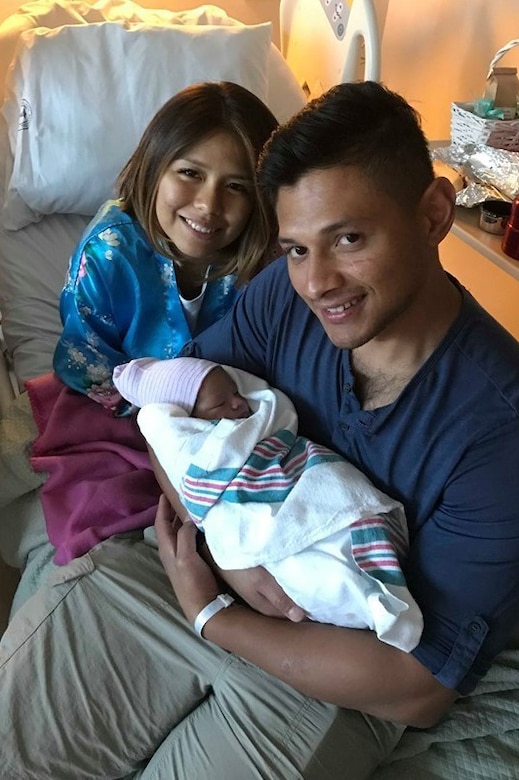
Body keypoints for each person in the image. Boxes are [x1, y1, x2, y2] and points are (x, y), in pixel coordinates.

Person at [1, 81, 519, 780]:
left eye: (348, 239)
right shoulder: (281, 294)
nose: (318, 283)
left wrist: (217, 616)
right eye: (297, 248)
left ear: (432, 214)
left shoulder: (496, 432)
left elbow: (418, 688)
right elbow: (172, 413)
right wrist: (227, 552)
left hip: (324, 668)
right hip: (177, 570)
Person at [113, 356, 424, 652]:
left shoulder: (246, 412)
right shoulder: (196, 445)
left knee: (342, 502)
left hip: (298, 474)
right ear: (187, 420)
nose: (238, 403)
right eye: (221, 404)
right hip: (256, 525)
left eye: (236, 392)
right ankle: (373, 599)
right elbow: (169, 446)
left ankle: (375, 567)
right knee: (316, 573)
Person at [52, 81, 278, 412]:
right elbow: (90, 368)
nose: (208, 205)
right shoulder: (108, 253)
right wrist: (177, 408)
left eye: (236, 186)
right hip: (132, 418)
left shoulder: (270, 259)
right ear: (155, 167)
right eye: (190, 173)